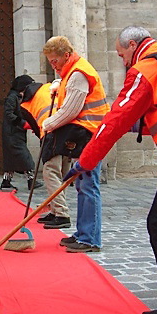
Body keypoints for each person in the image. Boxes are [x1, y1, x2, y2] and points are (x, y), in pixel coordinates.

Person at [67, 25, 157, 314]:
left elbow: (113, 121)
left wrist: (84, 162)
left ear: (133, 45)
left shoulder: (145, 70)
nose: (122, 60)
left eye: (121, 54)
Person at [41, 36, 110, 252]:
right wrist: (57, 84)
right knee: (82, 185)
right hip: (85, 134)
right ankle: (83, 233)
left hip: (91, 135)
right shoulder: (72, 72)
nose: (53, 65)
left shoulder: (79, 74)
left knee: (88, 185)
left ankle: (90, 238)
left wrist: (49, 123)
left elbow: (71, 110)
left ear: (67, 56)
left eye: (55, 61)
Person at [21, 79, 71, 229]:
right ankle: (55, 210)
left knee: (51, 172)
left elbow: (37, 129)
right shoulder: (49, 88)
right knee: (63, 173)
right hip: (70, 130)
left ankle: (61, 214)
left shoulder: (25, 104)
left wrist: (44, 142)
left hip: (52, 133)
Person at [0, 75, 43, 192]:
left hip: (15, 133)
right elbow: (9, 114)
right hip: (12, 133)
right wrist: (23, 123)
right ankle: (31, 181)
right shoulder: (12, 97)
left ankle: (6, 182)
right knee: (25, 157)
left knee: (11, 159)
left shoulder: (19, 97)